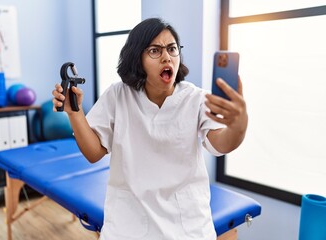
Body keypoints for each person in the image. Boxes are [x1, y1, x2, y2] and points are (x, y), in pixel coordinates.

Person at [52, 18, 248, 240]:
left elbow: (220, 143)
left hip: (187, 228)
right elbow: (93, 153)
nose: (167, 57)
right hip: (128, 226)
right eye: (155, 50)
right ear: (138, 58)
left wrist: (239, 124)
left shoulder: (196, 99)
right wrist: (74, 113)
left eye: (172, 49)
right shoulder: (118, 95)